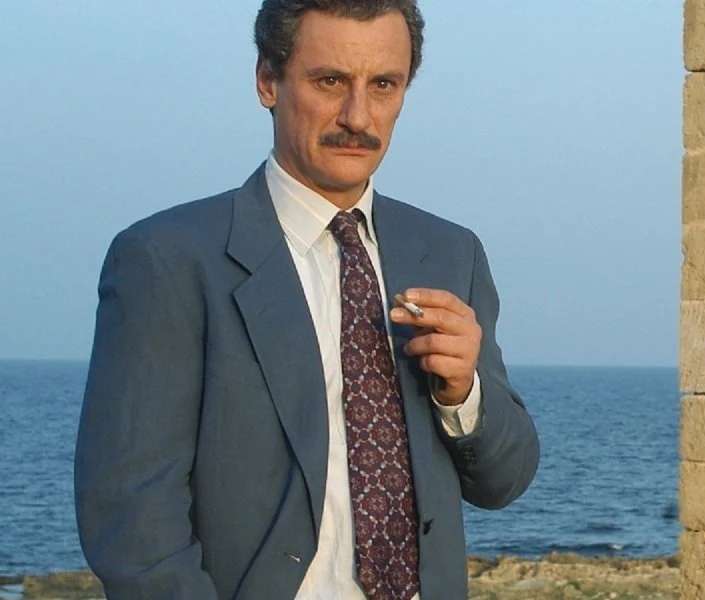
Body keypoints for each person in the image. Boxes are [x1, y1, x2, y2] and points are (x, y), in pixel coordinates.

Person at [73, 1, 540, 598]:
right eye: (330, 81)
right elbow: (132, 517)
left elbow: (505, 479)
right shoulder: (166, 260)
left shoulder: (451, 253)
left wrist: (463, 393)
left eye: (383, 85)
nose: (357, 116)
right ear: (268, 80)